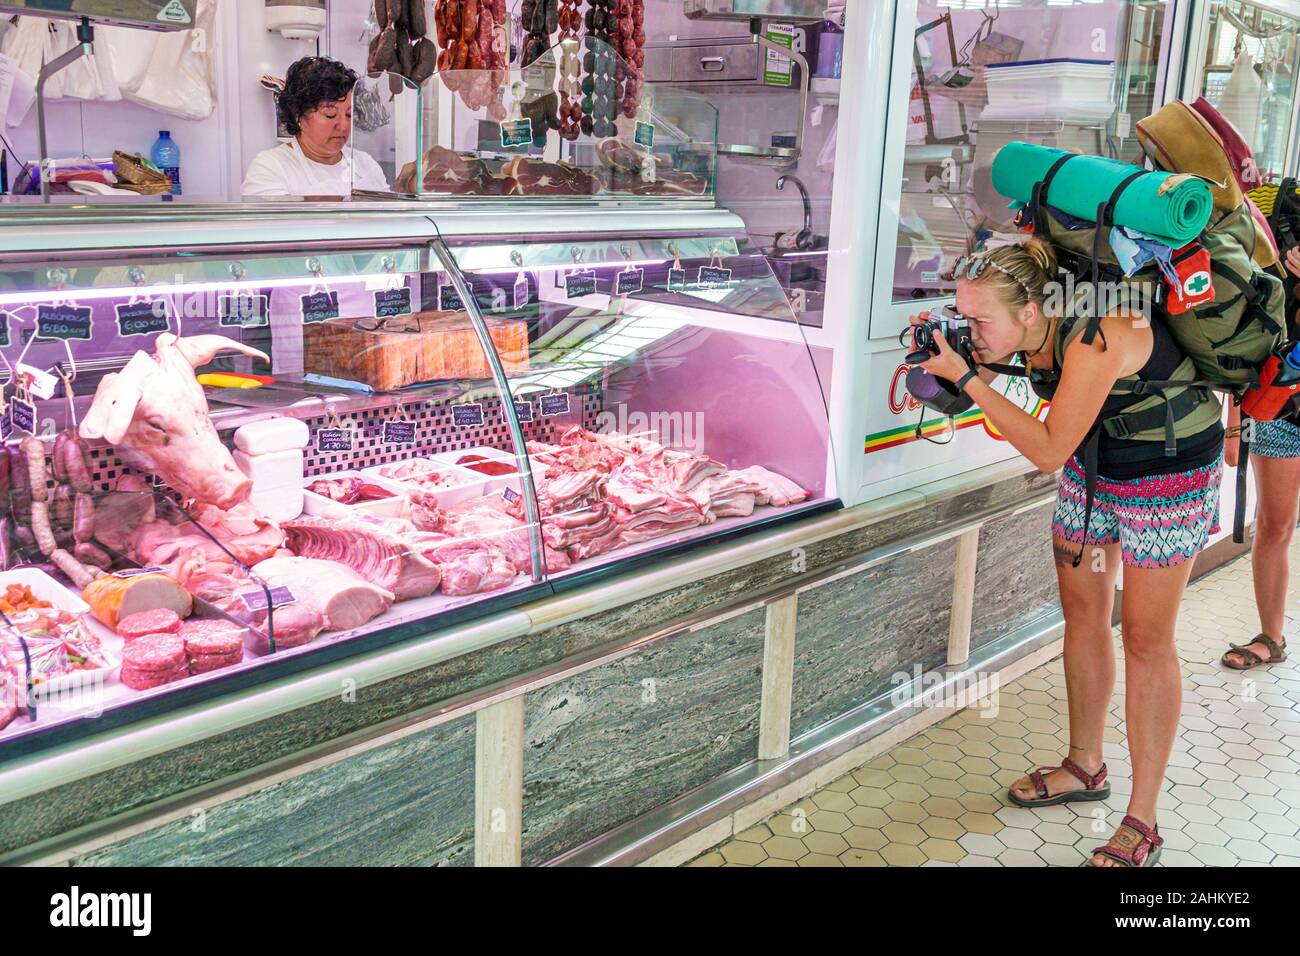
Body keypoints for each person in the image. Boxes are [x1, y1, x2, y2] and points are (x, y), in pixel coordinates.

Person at [913, 239, 1225, 867]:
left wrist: (967, 378)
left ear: (1031, 311)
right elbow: (1063, 437)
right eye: (961, 315)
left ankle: (1142, 819)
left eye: (978, 321)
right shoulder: (1031, 330)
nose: (968, 331)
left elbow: (1048, 448)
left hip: (1168, 472)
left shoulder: (1096, 332)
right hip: (1096, 464)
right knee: (1083, 618)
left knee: (1144, 638)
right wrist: (962, 356)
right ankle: (1086, 767)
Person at [1220, 243, 1299, 670]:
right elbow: (1245, 332)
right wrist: (1234, 423)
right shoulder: (1274, 220)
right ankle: (1272, 638)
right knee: (1274, 525)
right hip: (1277, 405)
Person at [242, 56, 388, 198]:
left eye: (349, 114)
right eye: (330, 114)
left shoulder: (365, 163)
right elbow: (269, 221)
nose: (344, 126)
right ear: (297, 114)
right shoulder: (270, 167)